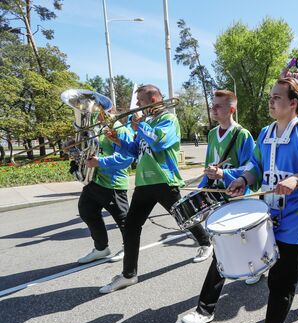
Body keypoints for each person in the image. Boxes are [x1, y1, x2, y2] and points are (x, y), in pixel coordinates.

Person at [181, 78, 298, 323]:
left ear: (293, 103)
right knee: (290, 260)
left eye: (277, 97)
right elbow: (255, 166)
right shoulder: (264, 133)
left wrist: (296, 179)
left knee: (280, 281)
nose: (271, 101)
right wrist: (241, 179)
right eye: (271, 96)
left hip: (297, 218)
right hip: (266, 213)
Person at [99, 84, 211, 294]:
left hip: (163, 179)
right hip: (143, 182)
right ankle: (129, 275)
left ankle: (205, 242)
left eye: (140, 101)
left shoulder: (169, 119)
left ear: (152, 100)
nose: (137, 105)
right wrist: (119, 140)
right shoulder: (147, 121)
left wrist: (140, 125)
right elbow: (136, 150)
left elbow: (159, 143)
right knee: (132, 226)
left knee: (183, 217)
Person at [193, 90, 256, 274]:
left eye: (218, 106)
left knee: (243, 236)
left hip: (236, 193)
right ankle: (229, 268)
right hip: (217, 194)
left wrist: (223, 173)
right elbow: (209, 166)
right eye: (213, 105)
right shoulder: (212, 134)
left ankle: (254, 269)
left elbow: (250, 168)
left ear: (232, 109)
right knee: (223, 238)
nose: (213, 109)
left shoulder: (242, 134)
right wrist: (201, 189)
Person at [76, 112, 134, 264]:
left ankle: (129, 248)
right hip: (95, 180)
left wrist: (100, 162)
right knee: (86, 211)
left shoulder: (120, 130)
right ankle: (101, 249)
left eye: (97, 111)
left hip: (113, 183)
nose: (94, 115)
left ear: (108, 112)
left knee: (123, 220)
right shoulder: (98, 130)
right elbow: (92, 151)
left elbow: (126, 159)